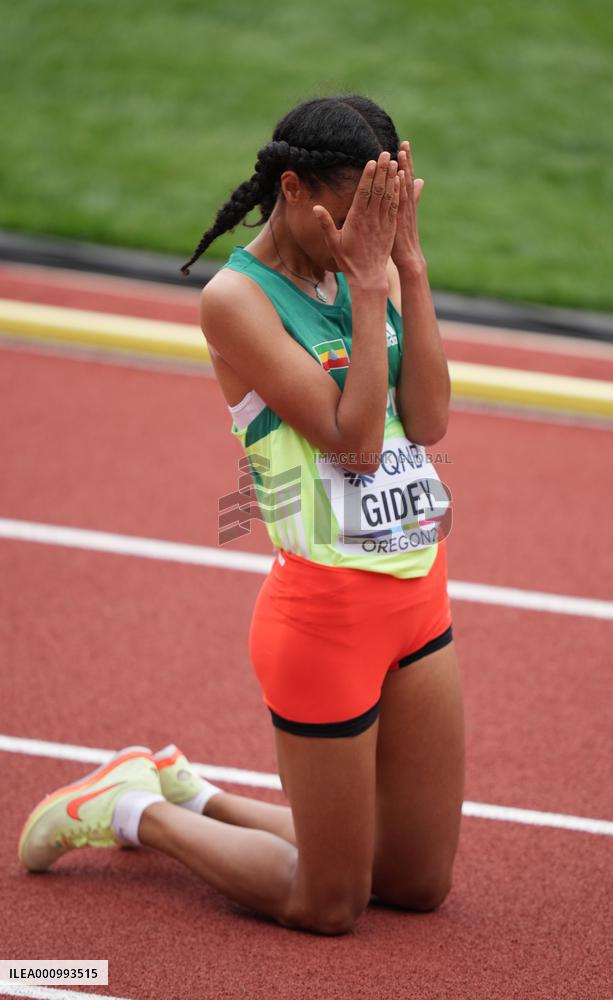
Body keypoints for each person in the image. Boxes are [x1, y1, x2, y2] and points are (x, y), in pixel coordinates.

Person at [18, 94, 465, 937]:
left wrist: (408, 268)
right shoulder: (235, 299)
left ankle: (194, 792)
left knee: (414, 883)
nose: (361, 236)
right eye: (348, 215)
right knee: (329, 903)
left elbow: (431, 421)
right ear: (292, 189)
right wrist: (371, 286)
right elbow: (355, 445)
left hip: (419, 602)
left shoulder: (364, 266)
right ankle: (132, 810)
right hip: (326, 618)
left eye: (378, 218)